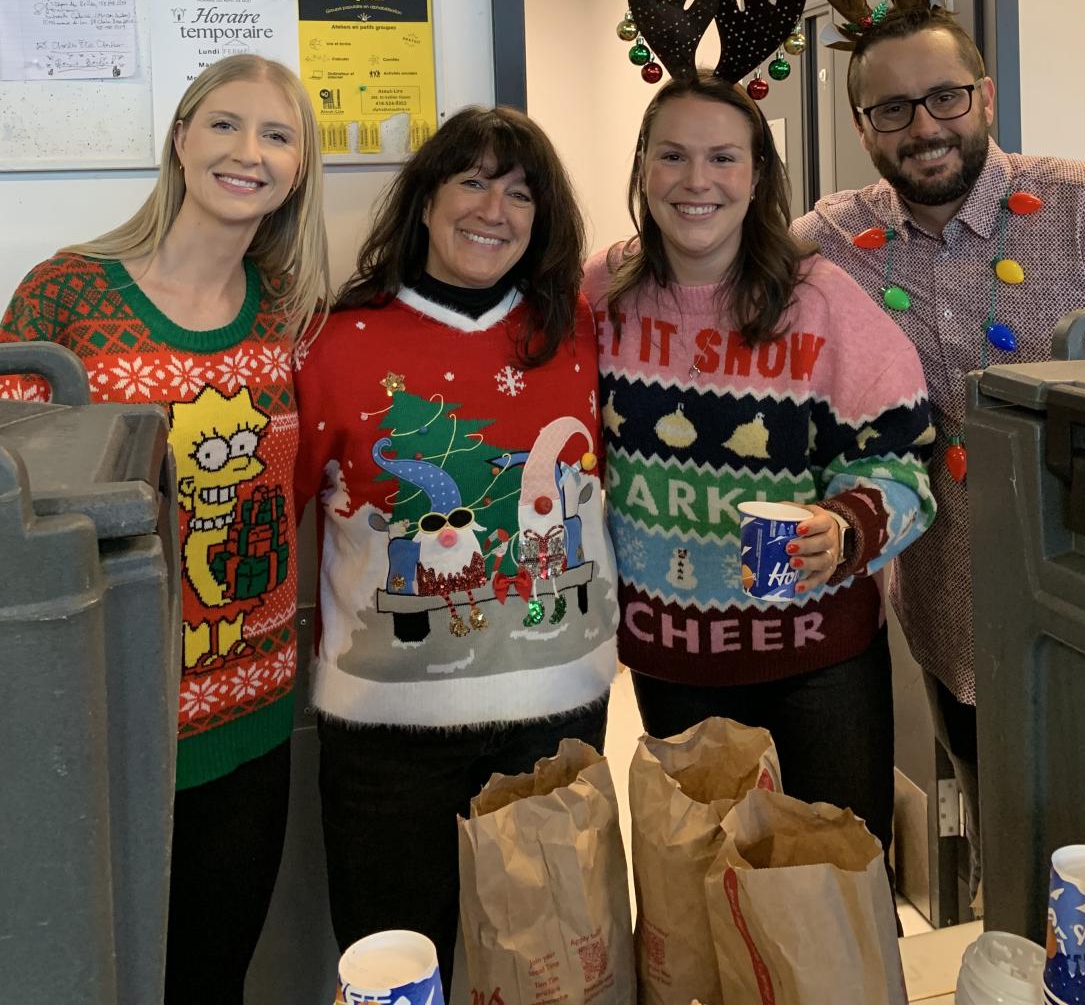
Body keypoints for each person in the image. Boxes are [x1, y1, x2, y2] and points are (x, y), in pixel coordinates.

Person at [791, 6, 1085, 900]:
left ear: (985, 95)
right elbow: (714, 274)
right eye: (893, 110)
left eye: (944, 97)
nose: (923, 127)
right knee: (1017, 865)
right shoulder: (829, 244)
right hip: (958, 625)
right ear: (863, 126)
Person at [0, 53, 329, 1004]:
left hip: (254, 714)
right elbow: (14, 515)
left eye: (277, 135)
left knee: (209, 980)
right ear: (181, 138)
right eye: (224, 124)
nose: (249, 152)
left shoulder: (290, 318)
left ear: (299, 168)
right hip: (105, 712)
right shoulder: (68, 297)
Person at [293, 105, 618, 994]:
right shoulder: (334, 341)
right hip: (386, 732)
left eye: (521, 193)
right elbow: (285, 516)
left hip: (557, 720)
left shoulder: (580, 332)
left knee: (551, 968)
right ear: (426, 200)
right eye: (472, 180)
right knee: (395, 967)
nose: (494, 209)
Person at [582, 72, 937, 864]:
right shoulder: (603, 292)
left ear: (757, 175)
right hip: (672, 658)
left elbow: (905, 461)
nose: (696, 181)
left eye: (723, 158)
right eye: (672, 155)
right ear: (643, 169)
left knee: (837, 892)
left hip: (818, 660)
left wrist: (846, 529)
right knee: (706, 890)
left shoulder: (821, 301)